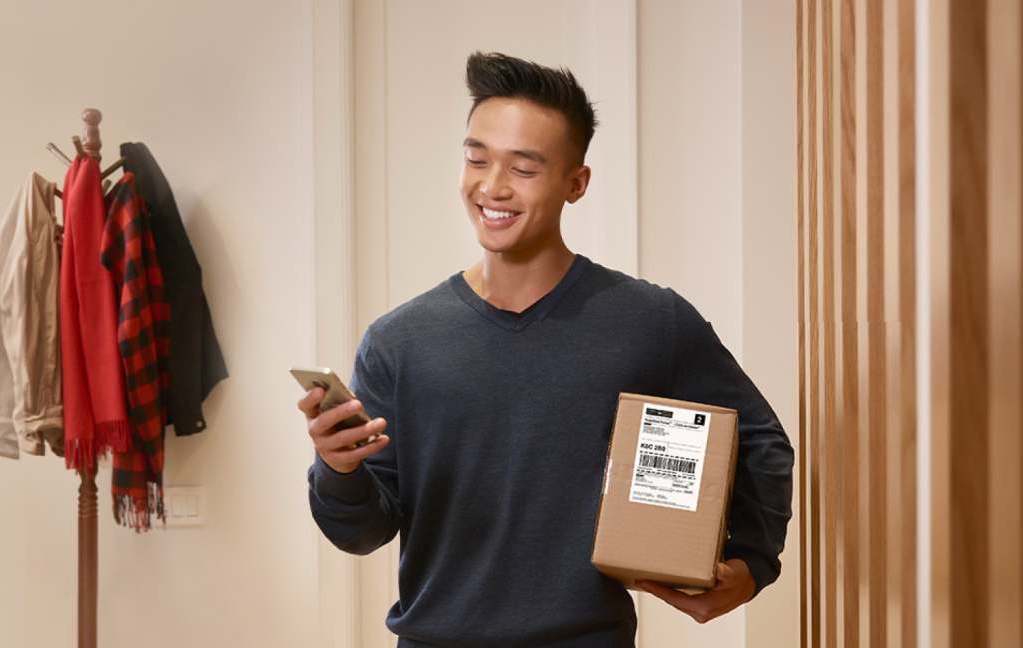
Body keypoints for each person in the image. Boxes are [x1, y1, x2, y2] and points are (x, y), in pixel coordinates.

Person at [302, 51, 793, 647]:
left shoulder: (649, 321)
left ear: (576, 183)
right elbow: (362, 532)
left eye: (523, 169)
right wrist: (338, 468)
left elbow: (761, 441)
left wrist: (752, 563)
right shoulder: (399, 341)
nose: (491, 186)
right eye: (476, 159)